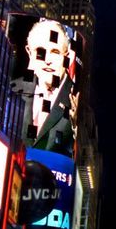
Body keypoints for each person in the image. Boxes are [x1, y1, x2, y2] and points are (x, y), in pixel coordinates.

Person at [15, 18, 78, 155]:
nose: (47, 60)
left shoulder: (77, 100)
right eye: (40, 51)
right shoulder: (13, 90)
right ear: (30, 53)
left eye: (55, 52)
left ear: (66, 57)